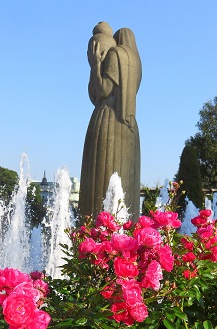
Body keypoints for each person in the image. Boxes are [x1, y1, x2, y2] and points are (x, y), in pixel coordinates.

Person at [79, 25, 142, 220]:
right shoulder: (136, 64)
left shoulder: (116, 54)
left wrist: (95, 64)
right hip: (129, 127)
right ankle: (128, 242)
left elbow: (103, 90)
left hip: (107, 121)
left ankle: (96, 236)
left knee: (101, 180)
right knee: (125, 185)